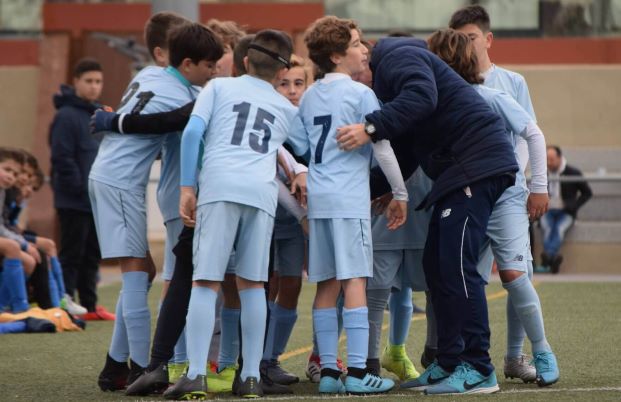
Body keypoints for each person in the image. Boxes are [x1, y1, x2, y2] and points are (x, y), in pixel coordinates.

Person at [335, 30, 519, 394]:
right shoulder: (389, 89)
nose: (357, 87)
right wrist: (353, 192)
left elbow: (422, 96)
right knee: (437, 265)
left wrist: (370, 127)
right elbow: (402, 155)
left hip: (476, 165)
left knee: (457, 267)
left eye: (356, 77)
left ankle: (479, 366)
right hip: (458, 173)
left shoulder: (397, 55)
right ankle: (447, 362)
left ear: (367, 55)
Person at [162, 29, 297, 400]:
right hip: (262, 193)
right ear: (281, 70)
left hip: (220, 186)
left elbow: (192, 134)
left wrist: (187, 188)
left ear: (244, 61)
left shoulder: (219, 88)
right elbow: (294, 152)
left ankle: (194, 374)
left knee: (205, 282)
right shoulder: (287, 107)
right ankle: (251, 376)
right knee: (253, 284)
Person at [91, 21, 223, 392]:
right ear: (186, 64)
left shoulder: (152, 74)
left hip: (112, 176)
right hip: (119, 181)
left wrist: (111, 119)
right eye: (208, 65)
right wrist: (114, 120)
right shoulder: (182, 95)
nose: (213, 72)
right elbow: (174, 119)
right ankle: (139, 368)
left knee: (145, 270)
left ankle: (114, 366)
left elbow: (154, 120)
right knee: (135, 273)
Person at [427, 28, 560, 388]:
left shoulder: (491, 95)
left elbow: (533, 134)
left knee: (515, 276)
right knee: (459, 278)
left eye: (434, 58)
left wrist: (538, 187)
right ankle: (450, 360)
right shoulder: (440, 103)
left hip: (505, 198)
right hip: (466, 199)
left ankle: (541, 350)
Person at [288, 16, 409, 395]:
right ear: (338, 55)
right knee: (355, 279)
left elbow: (300, 148)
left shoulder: (308, 96)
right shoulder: (360, 94)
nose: (364, 50)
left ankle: (327, 373)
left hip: (320, 200)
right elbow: (383, 147)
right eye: (356, 44)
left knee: (326, 284)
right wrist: (400, 193)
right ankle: (357, 374)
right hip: (348, 199)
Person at [49, 58, 111, 319]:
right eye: (88, 81)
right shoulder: (65, 116)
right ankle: (67, 303)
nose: (94, 87)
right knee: (72, 254)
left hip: (95, 199)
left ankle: (90, 304)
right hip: (74, 199)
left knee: (92, 254)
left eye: (98, 81)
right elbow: (62, 157)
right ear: (76, 82)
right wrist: (78, 189)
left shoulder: (99, 114)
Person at [539, 145, 592, 273]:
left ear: (559, 158)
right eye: (547, 159)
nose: (549, 163)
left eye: (551, 159)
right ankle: (553, 259)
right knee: (547, 228)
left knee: (559, 229)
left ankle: (548, 258)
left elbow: (587, 193)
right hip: (548, 210)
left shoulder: (573, 172)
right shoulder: (542, 172)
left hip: (566, 212)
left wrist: (574, 205)